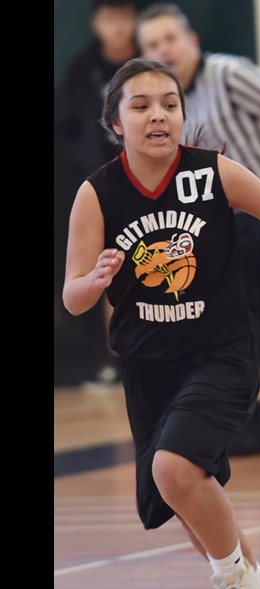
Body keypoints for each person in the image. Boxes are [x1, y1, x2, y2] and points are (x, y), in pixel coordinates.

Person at [61, 58, 260, 589]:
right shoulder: (97, 193)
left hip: (221, 356)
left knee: (175, 470)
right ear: (115, 122)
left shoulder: (212, 174)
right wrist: (94, 281)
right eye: (140, 105)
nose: (158, 114)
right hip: (147, 367)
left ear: (184, 115)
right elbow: (72, 297)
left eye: (169, 103)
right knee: (188, 499)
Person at [136, 2, 260, 453]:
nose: (163, 50)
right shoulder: (157, 110)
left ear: (192, 42)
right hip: (224, 226)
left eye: (170, 39)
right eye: (152, 45)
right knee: (228, 325)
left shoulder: (229, 74)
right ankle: (250, 424)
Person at [54, 0, 139, 386]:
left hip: (150, 177)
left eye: (124, 16)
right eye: (109, 18)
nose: (118, 26)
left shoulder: (149, 64)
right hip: (103, 184)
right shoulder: (82, 71)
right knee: (109, 268)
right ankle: (119, 359)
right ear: (96, 23)